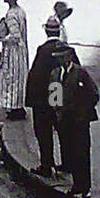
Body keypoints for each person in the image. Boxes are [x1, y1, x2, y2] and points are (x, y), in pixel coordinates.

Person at [25, 16, 71, 178]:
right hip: (59, 96)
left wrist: (31, 100)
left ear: (46, 31)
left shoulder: (42, 51)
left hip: (45, 98)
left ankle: (46, 165)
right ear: (58, 31)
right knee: (64, 131)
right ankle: (67, 162)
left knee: (44, 133)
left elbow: (36, 76)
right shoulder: (66, 49)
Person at [52, 44, 99, 198]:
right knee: (71, 152)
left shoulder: (80, 73)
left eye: (63, 56)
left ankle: (85, 187)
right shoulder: (55, 74)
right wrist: (57, 113)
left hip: (79, 120)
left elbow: (93, 94)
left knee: (82, 153)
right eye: (58, 57)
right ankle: (77, 185)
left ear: (70, 57)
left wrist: (82, 112)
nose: (61, 60)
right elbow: (54, 98)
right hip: (65, 121)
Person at [0, 0, 29, 120]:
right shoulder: (20, 11)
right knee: (18, 79)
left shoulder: (11, 15)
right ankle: (18, 107)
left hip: (13, 52)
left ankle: (15, 109)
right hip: (21, 51)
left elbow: (15, 36)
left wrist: (1, 39)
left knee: (11, 79)